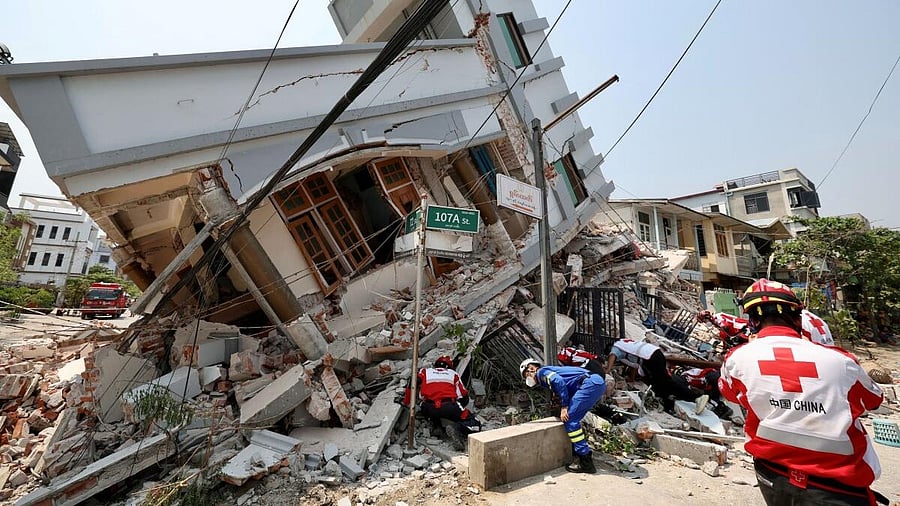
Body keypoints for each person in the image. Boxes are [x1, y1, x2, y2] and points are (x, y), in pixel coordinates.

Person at [719, 279, 884, 506]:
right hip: (838, 484)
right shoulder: (840, 361)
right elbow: (872, 400)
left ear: (753, 322)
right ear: (798, 318)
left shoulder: (736, 359)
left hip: (771, 473)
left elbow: (730, 393)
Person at [520, 358, 606, 473]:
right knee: (574, 418)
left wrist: (564, 406)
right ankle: (580, 451)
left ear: (531, 368)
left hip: (589, 384)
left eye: (526, 374)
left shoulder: (541, 372)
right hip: (595, 382)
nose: (528, 378)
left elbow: (558, 381)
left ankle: (585, 461)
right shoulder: (547, 372)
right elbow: (567, 384)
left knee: (570, 420)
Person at [606, 339, 709, 415]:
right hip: (654, 354)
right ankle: (669, 406)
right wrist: (631, 379)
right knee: (657, 384)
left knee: (666, 382)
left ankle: (696, 397)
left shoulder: (616, 347)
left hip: (650, 358)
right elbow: (633, 365)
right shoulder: (625, 345)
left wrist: (608, 369)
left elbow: (613, 354)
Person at [404, 356, 479, 450]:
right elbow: (463, 395)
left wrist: (406, 401)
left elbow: (412, 381)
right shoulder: (453, 374)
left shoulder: (424, 371)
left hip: (428, 408)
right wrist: (458, 409)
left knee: (430, 408)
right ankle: (457, 428)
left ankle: (437, 426)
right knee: (476, 423)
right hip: (448, 406)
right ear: (450, 367)